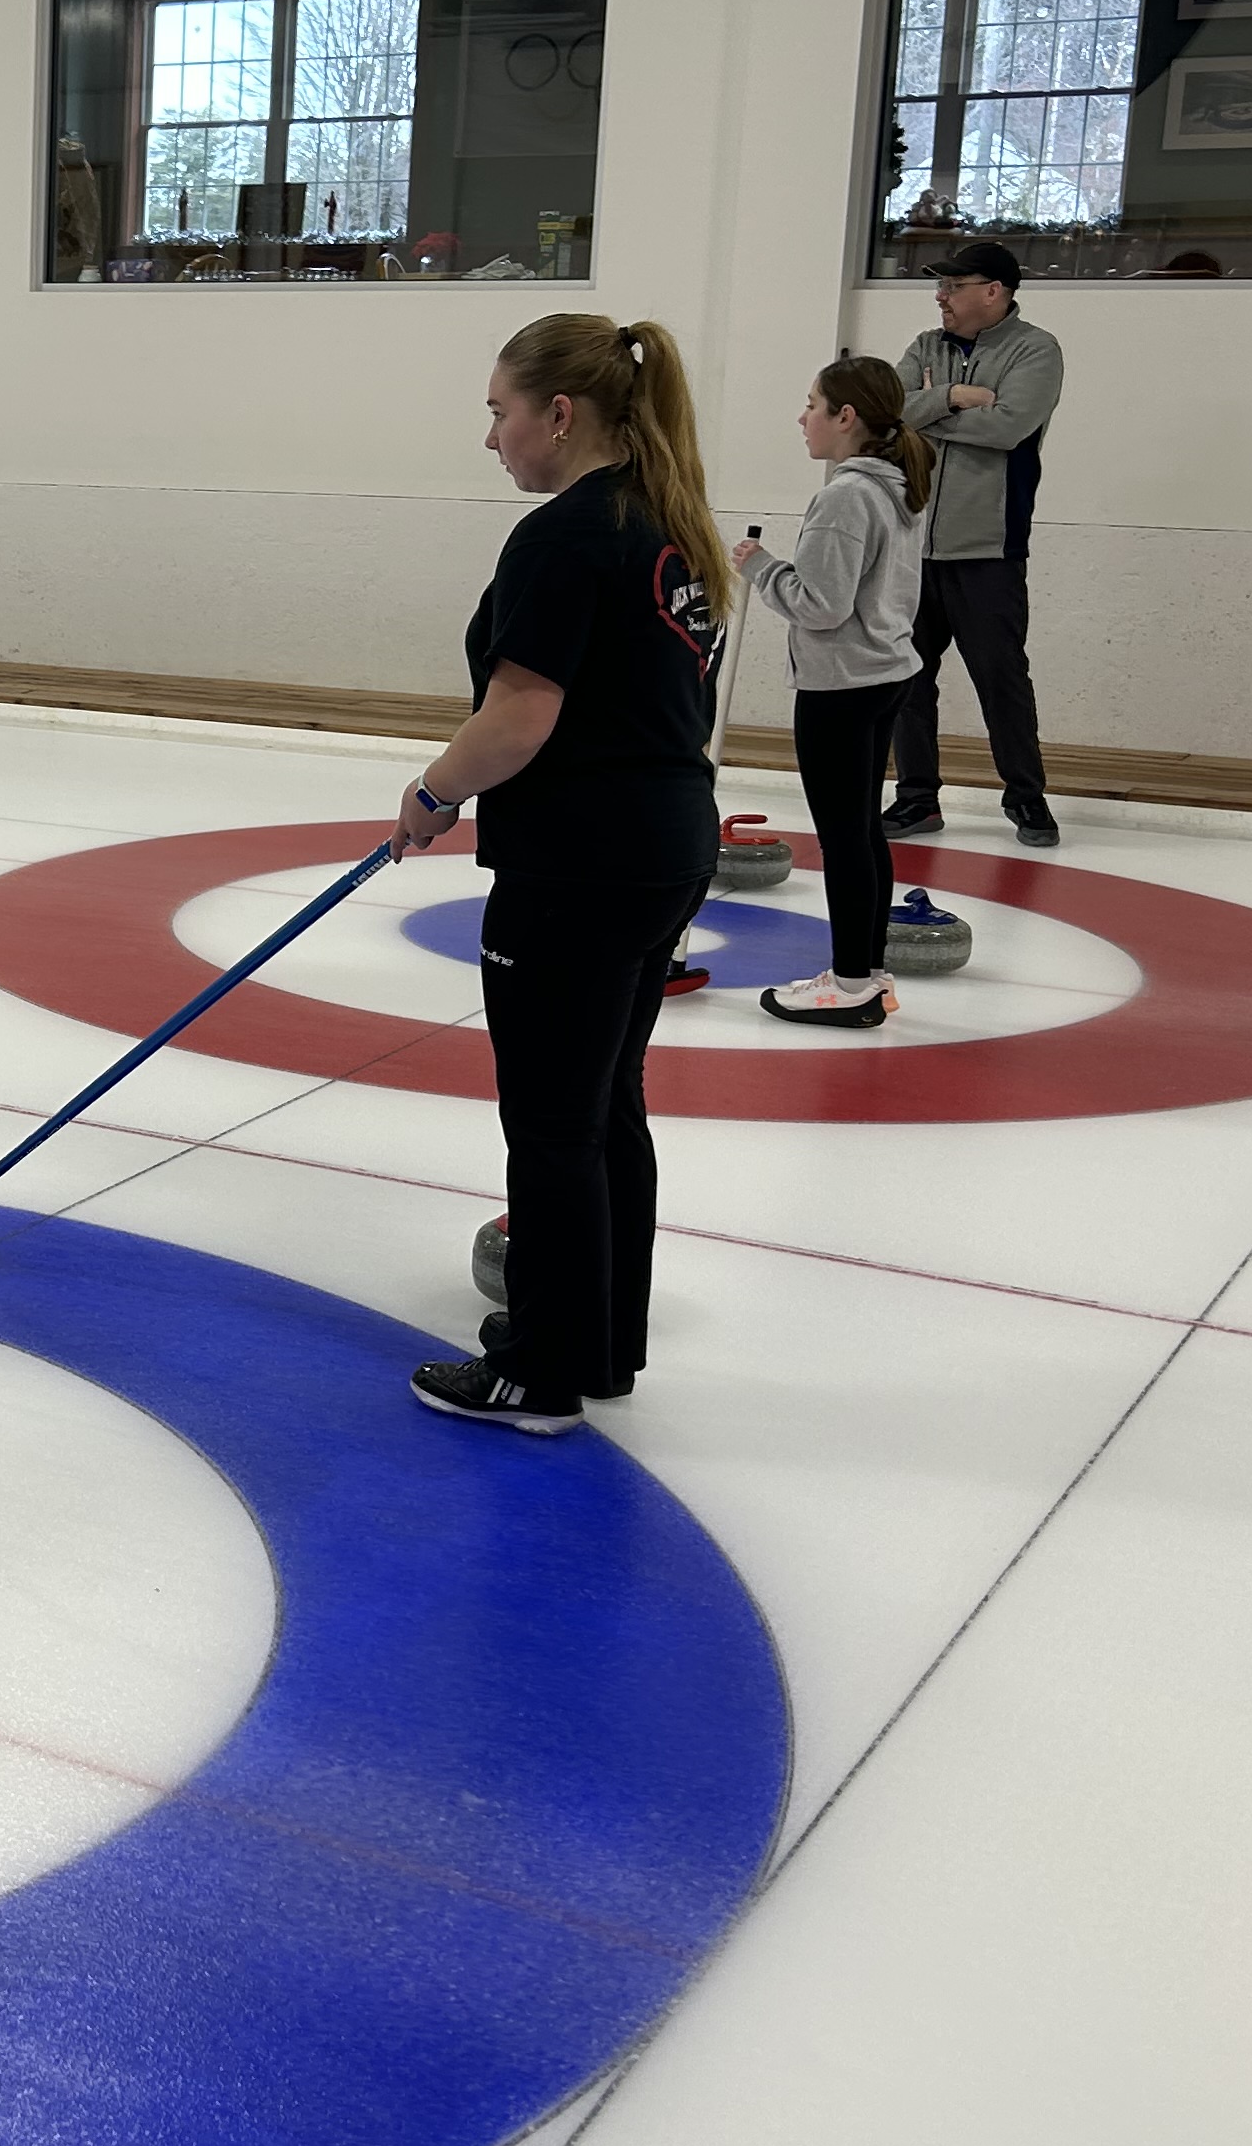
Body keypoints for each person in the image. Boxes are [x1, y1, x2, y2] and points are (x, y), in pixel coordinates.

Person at [391, 314, 724, 1433]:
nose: (493, 437)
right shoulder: (665, 524)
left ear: (561, 414)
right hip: (665, 847)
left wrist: (435, 793)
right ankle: (597, 1346)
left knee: (549, 1122)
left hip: (580, 864)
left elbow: (522, 715)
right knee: (604, 1104)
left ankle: (538, 1368)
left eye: (500, 411)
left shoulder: (565, 537)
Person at [733, 356, 933, 1027]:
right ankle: (867, 972)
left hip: (843, 684)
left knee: (846, 836)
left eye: (813, 403)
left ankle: (850, 984)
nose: (803, 416)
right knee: (861, 832)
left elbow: (820, 605)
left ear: (846, 417)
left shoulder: (845, 496)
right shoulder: (895, 485)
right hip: (884, 673)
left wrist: (762, 568)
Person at [887, 240, 1064, 848]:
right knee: (908, 678)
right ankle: (916, 799)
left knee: (1001, 677)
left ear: (994, 291)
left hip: (988, 548)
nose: (940, 297)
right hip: (915, 544)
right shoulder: (924, 346)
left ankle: (1027, 799)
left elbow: (1010, 427)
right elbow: (889, 414)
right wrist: (954, 397)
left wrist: (926, 413)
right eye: (939, 288)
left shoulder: (1035, 349)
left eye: (952, 286)